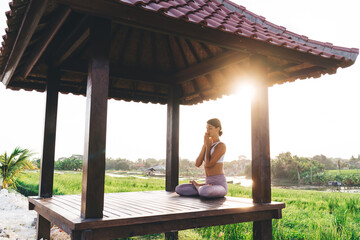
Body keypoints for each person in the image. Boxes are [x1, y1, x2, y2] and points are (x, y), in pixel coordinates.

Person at [175, 118, 227, 198]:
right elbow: (198, 163)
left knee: (205, 191)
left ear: (218, 129)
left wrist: (208, 146)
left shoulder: (221, 146)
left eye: (210, 128)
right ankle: (200, 187)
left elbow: (208, 165)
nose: (207, 131)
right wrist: (205, 145)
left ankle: (199, 187)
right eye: (207, 128)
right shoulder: (207, 145)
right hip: (207, 184)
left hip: (219, 186)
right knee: (179, 189)